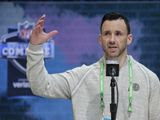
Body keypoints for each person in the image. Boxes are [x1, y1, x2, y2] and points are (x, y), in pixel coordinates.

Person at [26, 12, 160, 120]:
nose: (112, 40)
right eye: (107, 34)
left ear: (129, 39)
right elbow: (41, 86)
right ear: (100, 40)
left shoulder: (149, 79)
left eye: (118, 34)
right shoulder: (82, 76)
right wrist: (35, 48)